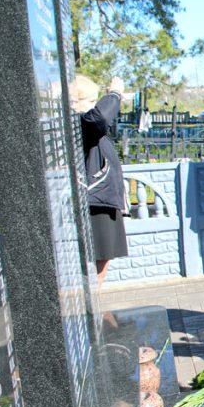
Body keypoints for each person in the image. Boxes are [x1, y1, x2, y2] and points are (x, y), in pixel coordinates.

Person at [73, 76, 129, 288]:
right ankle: (92, 302)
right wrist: (114, 94)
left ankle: (95, 298)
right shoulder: (82, 121)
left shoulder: (89, 122)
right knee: (98, 259)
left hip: (103, 198)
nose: (96, 105)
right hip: (95, 198)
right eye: (93, 101)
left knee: (104, 256)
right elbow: (100, 118)